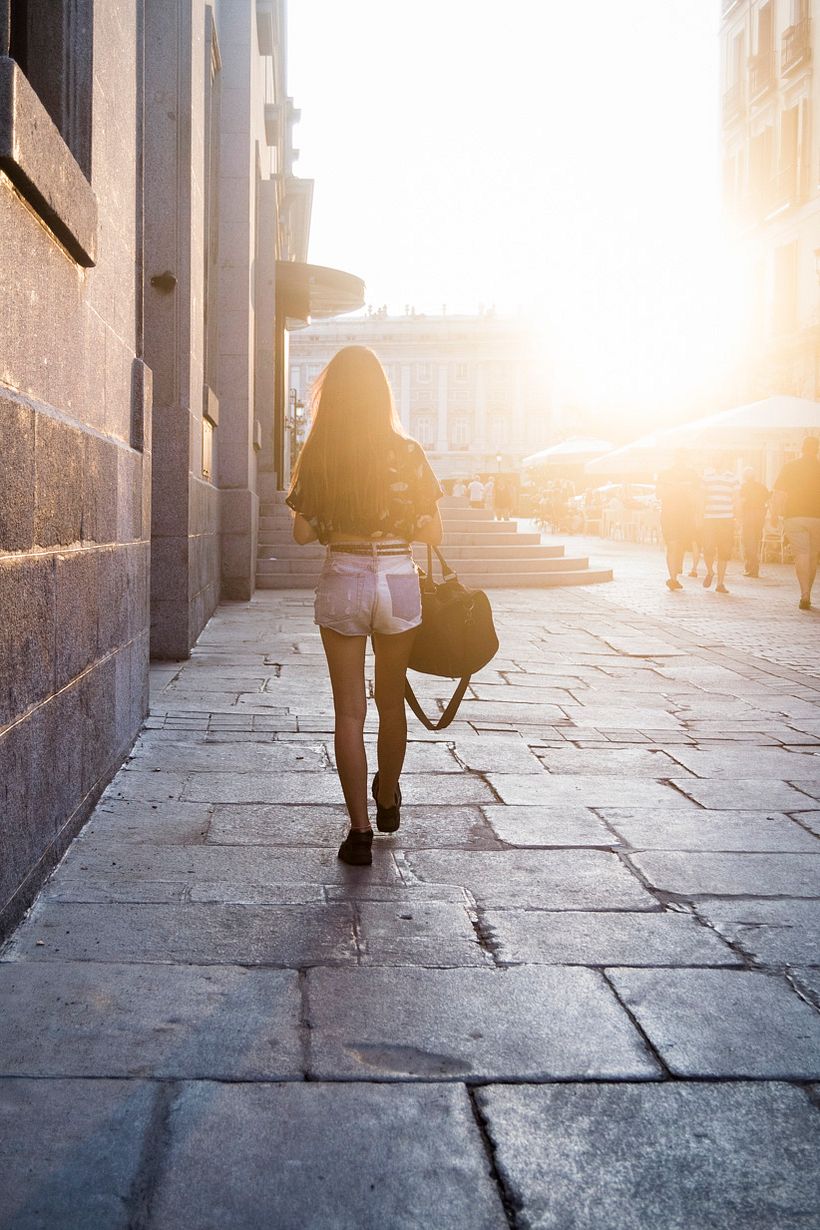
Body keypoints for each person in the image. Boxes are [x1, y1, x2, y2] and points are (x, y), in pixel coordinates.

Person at [287, 346, 444, 865]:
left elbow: (302, 533)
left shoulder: (320, 453)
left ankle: (359, 833)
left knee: (348, 712)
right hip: (398, 575)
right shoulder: (408, 452)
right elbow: (433, 530)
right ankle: (389, 794)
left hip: (345, 575)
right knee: (390, 699)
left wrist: (337, 516)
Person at [773, 436, 820, 610]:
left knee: (802, 554)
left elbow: (779, 493)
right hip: (817, 517)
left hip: (794, 516)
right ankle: (809, 591)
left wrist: (774, 514)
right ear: (817, 449)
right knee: (813, 556)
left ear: (802, 448)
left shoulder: (790, 467)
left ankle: (804, 594)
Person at [655, 452, 700, 591]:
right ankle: (673, 578)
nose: (681, 460)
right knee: (672, 544)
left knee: (680, 545)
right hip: (670, 514)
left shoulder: (692, 475)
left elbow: (697, 496)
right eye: (679, 457)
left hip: (686, 514)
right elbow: (659, 494)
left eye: (683, 458)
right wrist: (676, 489)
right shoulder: (665, 474)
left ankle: (675, 573)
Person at [701, 455, 739, 594]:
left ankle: (720, 583)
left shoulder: (732, 478)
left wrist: (737, 518)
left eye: (719, 457)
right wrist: (700, 515)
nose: (717, 460)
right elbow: (702, 497)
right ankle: (710, 571)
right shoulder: (706, 478)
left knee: (724, 551)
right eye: (715, 458)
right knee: (708, 548)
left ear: (725, 460)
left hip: (726, 518)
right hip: (709, 518)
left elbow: (736, 499)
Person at [739, 467, 770, 578]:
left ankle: (752, 568)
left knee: (748, 542)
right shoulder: (761, 487)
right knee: (756, 541)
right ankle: (753, 567)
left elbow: (741, 501)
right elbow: (768, 498)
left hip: (748, 515)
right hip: (760, 516)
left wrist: (739, 515)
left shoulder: (743, 487)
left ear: (744, 477)